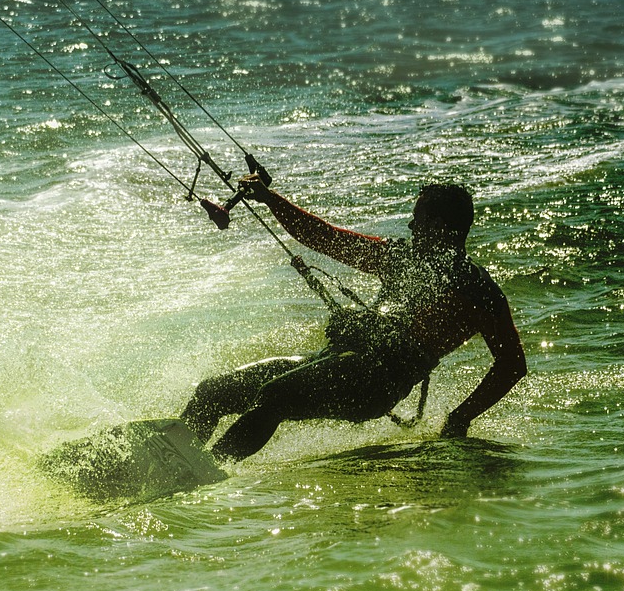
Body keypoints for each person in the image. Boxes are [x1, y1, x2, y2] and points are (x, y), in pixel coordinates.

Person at [182, 177, 526, 460]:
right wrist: (271, 200)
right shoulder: (400, 258)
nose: (410, 224)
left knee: (275, 396)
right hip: (337, 361)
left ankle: (206, 469)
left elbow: (512, 363)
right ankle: (171, 454)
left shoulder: (477, 291)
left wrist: (460, 417)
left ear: (437, 225)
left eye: (417, 218)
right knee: (213, 391)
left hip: (375, 385)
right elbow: (325, 238)